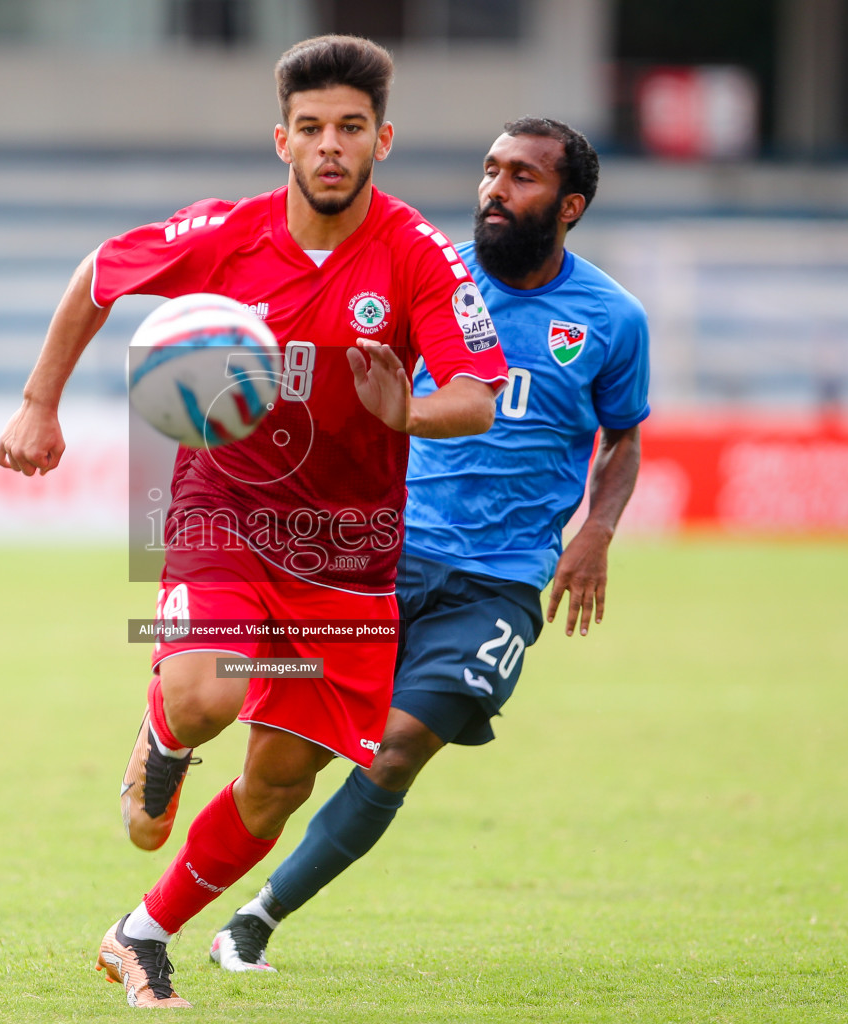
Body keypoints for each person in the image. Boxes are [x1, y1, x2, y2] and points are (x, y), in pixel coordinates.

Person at [0, 36, 508, 1009]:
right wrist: (38, 403)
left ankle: (139, 935)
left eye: (350, 128)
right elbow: (100, 274)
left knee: (278, 783)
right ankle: (165, 731)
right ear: (282, 138)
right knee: (207, 696)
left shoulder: (418, 257)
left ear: (381, 139)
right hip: (224, 510)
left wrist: (409, 412)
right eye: (311, 128)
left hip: (350, 554)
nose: (329, 145)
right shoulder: (224, 235)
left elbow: (478, 396)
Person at [208, 117, 651, 972]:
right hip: (379, 552)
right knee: (285, 757)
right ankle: (176, 766)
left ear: (570, 206)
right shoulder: (424, 277)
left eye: (521, 176)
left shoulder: (611, 318)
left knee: (400, 748)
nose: (495, 189)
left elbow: (624, 437)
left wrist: (596, 529)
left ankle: (256, 920)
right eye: (490, 170)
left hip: (500, 581)